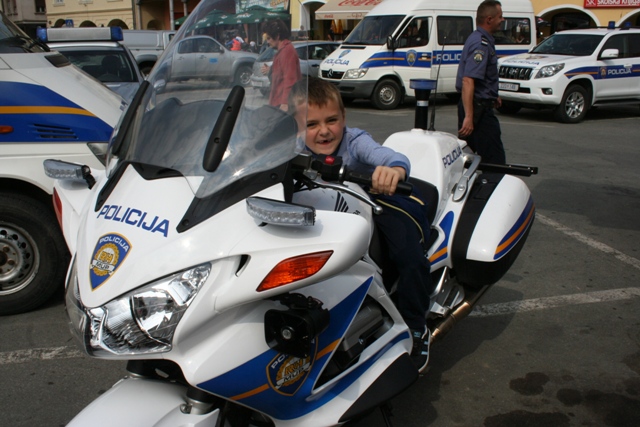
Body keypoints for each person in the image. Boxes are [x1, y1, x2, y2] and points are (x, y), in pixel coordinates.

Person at [288, 77, 433, 374]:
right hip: (325, 209)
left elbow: (390, 157)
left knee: (408, 256)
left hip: (375, 200)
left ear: (344, 118)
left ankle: (417, 325)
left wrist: (393, 170)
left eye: (332, 120)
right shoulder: (292, 147)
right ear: (297, 127)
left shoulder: (354, 142)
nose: (324, 130)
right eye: (311, 124)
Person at [456, 0, 506, 165]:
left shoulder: (480, 38)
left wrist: (493, 95)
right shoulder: (480, 43)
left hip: (478, 105)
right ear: (489, 19)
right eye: (500, 16)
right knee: (495, 162)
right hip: (478, 110)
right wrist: (469, 117)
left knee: (471, 158)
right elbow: (468, 80)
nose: (503, 19)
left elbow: (483, 77)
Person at [261, 19, 302, 111]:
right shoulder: (283, 50)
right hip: (277, 101)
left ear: (277, 36)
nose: (268, 42)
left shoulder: (287, 51)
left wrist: (285, 103)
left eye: (269, 38)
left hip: (282, 104)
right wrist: (270, 70)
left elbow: (290, 79)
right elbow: (282, 73)